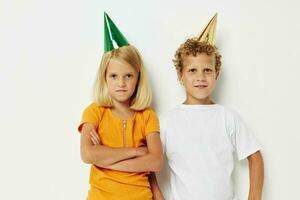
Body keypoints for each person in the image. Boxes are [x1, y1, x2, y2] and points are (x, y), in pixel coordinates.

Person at [158, 13, 264, 200]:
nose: (200, 77)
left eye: (207, 70)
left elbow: (255, 156)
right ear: (180, 75)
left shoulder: (228, 117)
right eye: (192, 70)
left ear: (217, 73)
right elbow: (151, 165)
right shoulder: (167, 122)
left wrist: (254, 197)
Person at [78, 12, 164, 200]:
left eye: (128, 76)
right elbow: (87, 154)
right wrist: (135, 152)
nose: (121, 83)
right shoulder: (94, 112)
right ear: (105, 78)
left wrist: (104, 158)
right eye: (114, 76)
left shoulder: (147, 116)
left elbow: (156, 162)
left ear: (138, 78)